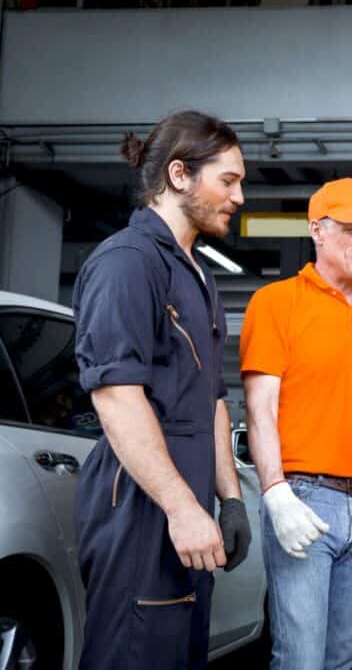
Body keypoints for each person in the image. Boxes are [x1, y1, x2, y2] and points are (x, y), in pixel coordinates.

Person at [73, 110, 251, 670]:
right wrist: (180, 507)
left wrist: (230, 500)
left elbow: (214, 400)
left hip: (189, 504)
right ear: (179, 175)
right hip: (142, 510)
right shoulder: (127, 263)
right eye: (228, 180)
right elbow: (116, 396)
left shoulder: (197, 275)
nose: (240, 196)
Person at [240, 177, 352, 670]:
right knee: (301, 659)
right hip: (304, 502)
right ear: (317, 230)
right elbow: (260, 408)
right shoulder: (276, 303)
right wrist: (274, 492)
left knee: (341, 657)